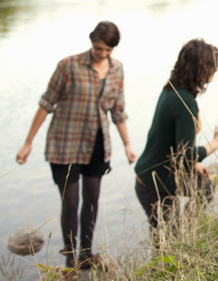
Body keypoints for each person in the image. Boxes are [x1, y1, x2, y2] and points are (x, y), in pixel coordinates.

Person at [16, 21, 136, 271]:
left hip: (97, 144)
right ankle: (70, 261)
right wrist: (28, 142)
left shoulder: (117, 70)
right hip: (65, 144)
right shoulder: (68, 65)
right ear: (92, 41)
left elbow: (118, 110)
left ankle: (86, 255)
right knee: (70, 201)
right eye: (98, 48)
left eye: (107, 50)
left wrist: (127, 144)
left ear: (113, 49)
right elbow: (47, 102)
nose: (101, 53)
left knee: (92, 198)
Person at [134, 38, 218, 229]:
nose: (216, 70)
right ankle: (180, 232)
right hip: (154, 184)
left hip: (154, 175)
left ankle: (183, 230)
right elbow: (184, 155)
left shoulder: (172, 90)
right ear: (201, 68)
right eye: (213, 65)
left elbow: (174, 143)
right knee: (167, 244)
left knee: (206, 188)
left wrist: (195, 164)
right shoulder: (184, 102)